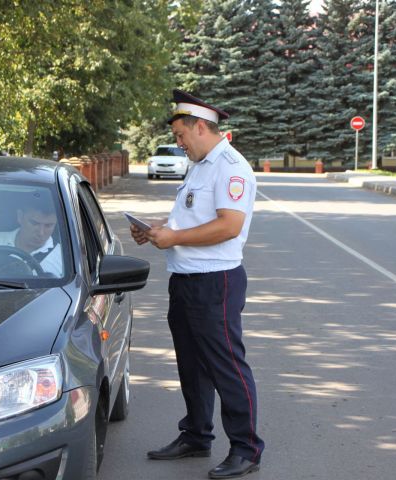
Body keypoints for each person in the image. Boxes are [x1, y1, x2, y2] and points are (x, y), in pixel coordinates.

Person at [131, 89, 264, 479]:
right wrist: (159, 231)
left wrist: (174, 238)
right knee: (192, 365)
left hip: (215, 282)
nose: (179, 142)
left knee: (227, 368)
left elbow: (229, 225)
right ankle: (196, 435)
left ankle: (246, 448)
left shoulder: (231, 167)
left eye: (180, 135)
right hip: (186, 279)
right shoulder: (202, 164)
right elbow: (194, 219)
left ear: (201, 127)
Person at [0, 196, 62, 276]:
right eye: (34, 223)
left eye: (48, 225)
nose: (41, 232)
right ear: (20, 217)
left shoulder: (64, 258)